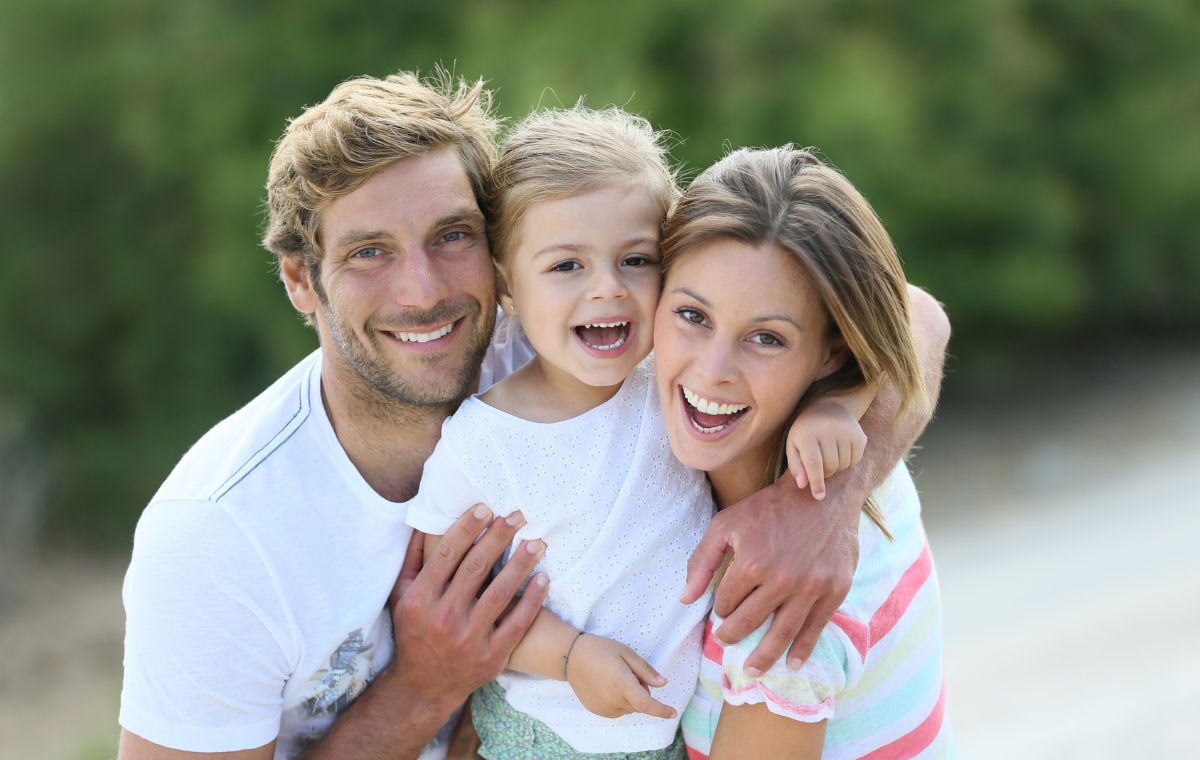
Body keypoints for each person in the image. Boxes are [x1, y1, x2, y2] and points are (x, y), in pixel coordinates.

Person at [117, 69, 949, 760]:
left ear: (496, 254)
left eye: (451, 236)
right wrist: (428, 680)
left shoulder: (572, 341)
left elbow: (904, 313)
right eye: (368, 252)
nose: (423, 290)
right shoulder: (217, 537)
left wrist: (824, 502)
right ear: (302, 280)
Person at [405, 106, 883, 760]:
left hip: (662, 731)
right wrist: (569, 656)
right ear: (506, 286)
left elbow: (873, 344)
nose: (607, 288)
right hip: (551, 735)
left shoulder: (674, 379)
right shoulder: (481, 445)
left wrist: (839, 408)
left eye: (635, 260)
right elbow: (458, 611)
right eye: (567, 266)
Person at [654, 146, 953, 758]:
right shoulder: (854, 445)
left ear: (832, 354)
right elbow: (914, 311)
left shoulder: (780, 614)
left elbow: (914, 313)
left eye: (766, 338)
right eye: (692, 315)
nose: (711, 372)